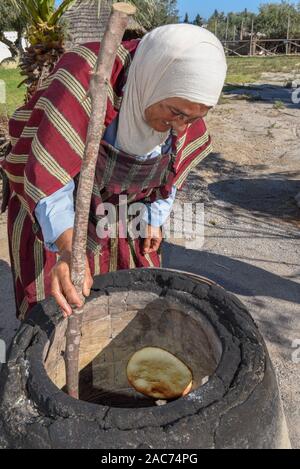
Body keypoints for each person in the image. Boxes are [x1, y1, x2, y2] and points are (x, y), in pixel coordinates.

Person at [1, 24, 227, 320]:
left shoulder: (182, 96)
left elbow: (172, 169)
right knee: (56, 305)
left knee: (128, 304)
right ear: (149, 82)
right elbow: (49, 173)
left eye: (194, 118)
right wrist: (68, 249)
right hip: (57, 205)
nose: (182, 127)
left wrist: (154, 218)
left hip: (122, 212)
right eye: (176, 114)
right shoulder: (87, 77)